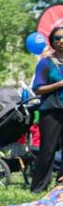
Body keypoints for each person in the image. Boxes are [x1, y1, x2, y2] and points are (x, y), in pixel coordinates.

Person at [30, 26, 63, 193]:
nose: (61, 40)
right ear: (52, 41)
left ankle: (61, 183)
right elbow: (37, 89)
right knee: (48, 150)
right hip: (51, 111)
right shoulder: (46, 63)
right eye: (57, 38)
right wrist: (59, 84)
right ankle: (39, 186)